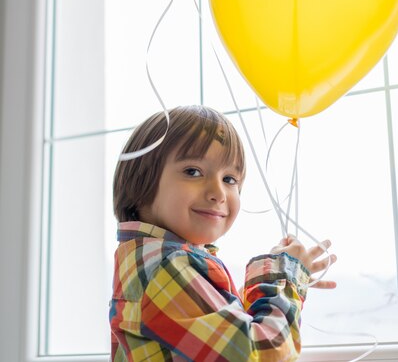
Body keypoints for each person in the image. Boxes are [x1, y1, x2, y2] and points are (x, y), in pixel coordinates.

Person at [110, 105, 336, 361]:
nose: (218, 193)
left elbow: (224, 332)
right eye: (193, 171)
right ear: (141, 180)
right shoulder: (166, 267)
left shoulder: (156, 262)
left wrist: (280, 276)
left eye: (230, 179)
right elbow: (264, 353)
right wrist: (285, 277)